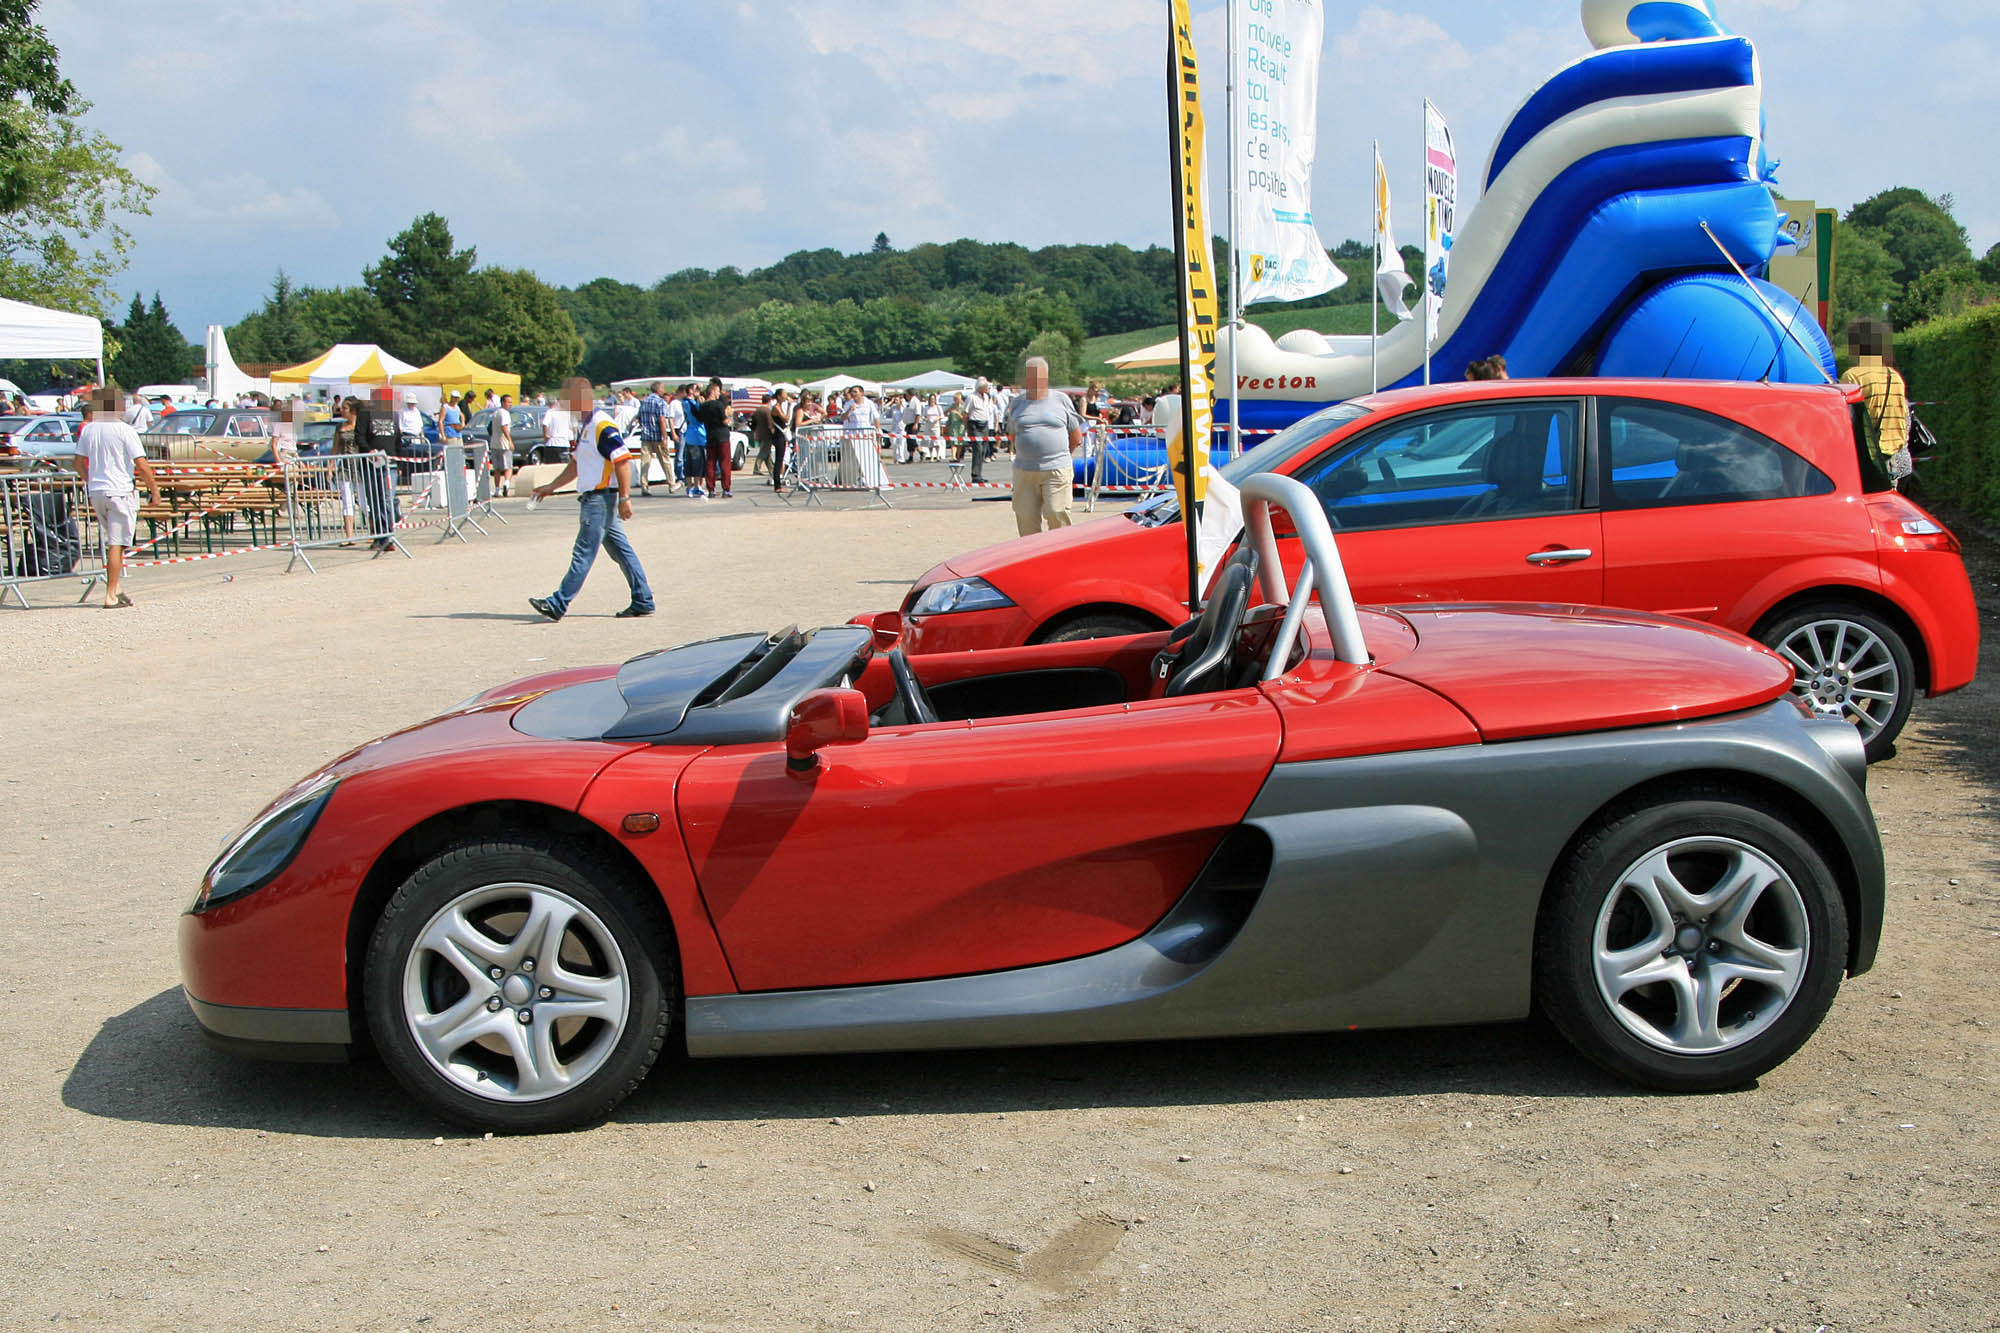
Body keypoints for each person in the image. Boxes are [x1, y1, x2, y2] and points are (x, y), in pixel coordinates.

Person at [527, 377, 654, 621]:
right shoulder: (587, 426)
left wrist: (625, 498)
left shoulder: (601, 425)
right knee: (622, 551)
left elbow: (622, 461)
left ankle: (558, 603)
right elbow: (576, 464)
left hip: (600, 499)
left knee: (583, 552)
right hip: (598, 498)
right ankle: (643, 598)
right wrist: (551, 487)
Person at [71, 387, 161, 609]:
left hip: (97, 491)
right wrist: (154, 489)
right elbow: (141, 463)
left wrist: (88, 480)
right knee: (117, 543)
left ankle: (116, 588)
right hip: (119, 489)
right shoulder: (124, 430)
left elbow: (77, 462)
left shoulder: (89, 429)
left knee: (115, 541)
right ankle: (111, 593)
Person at [1005, 355, 1084, 537]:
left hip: (1056, 468)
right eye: (1030, 376)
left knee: (1057, 513)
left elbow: (1076, 436)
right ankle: (1032, 559)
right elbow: (1012, 434)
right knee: (1025, 517)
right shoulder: (1017, 403)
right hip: (1024, 471)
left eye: (1039, 376)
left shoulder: (1061, 400)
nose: (1034, 381)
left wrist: (1062, 455)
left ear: (1046, 377)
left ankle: (1061, 558)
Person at [1841, 318, 1911, 484]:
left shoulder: (1852, 376)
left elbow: (1845, 423)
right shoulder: (1894, 376)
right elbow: (1904, 420)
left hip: (1867, 460)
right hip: (1894, 460)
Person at [634, 380, 676, 496]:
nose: (664, 390)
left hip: (646, 436)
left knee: (645, 462)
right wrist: (664, 437)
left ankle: (644, 486)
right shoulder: (660, 402)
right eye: (663, 388)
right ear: (658, 389)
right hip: (657, 435)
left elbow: (639, 418)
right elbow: (662, 420)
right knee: (665, 460)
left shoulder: (644, 402)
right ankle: (671, 484)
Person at [697, 377, 734, 498]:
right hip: (722, 435)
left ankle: (711, 488)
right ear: (713, 392)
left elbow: (700, 419)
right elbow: (724, 420)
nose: (719, 394)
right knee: (725, 463)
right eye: (717, 391)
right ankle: (726, 488)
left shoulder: (702, 406)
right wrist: (729, 418)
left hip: (710, 435)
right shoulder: (718, 405)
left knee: (711, 463)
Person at [677, 383, 708, 499]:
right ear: (691, 390)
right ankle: (696, 486)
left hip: (691, 435)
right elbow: (700, 417)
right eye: (697, 389)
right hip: (697, 435)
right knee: (697, 462)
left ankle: (690, 487)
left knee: (690, 461)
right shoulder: (690, 403)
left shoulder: (685, 402)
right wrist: (701, 404)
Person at [966, 378, 999, 482]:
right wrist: (967, 429)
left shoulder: (986, 397)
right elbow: (965, 414)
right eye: (986, 387)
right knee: (978, 449)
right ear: (980, 388)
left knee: (984, 449)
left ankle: (979, 474)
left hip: (985, 424)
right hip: (975, 424)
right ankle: (975, 475)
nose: (987, 389)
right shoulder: (971, 397)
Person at [487, 392, 516, 495]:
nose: (510, 404)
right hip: (503, 444)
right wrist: (510, 440)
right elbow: (504, 427)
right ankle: (507, 483)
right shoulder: (504, 413)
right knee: (508, 466)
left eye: (511, 402)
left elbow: (489, 428)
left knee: (497, 468)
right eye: (508, 402)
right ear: (503, 402)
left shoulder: (495, 413)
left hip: (494, 444)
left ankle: (497, 489)